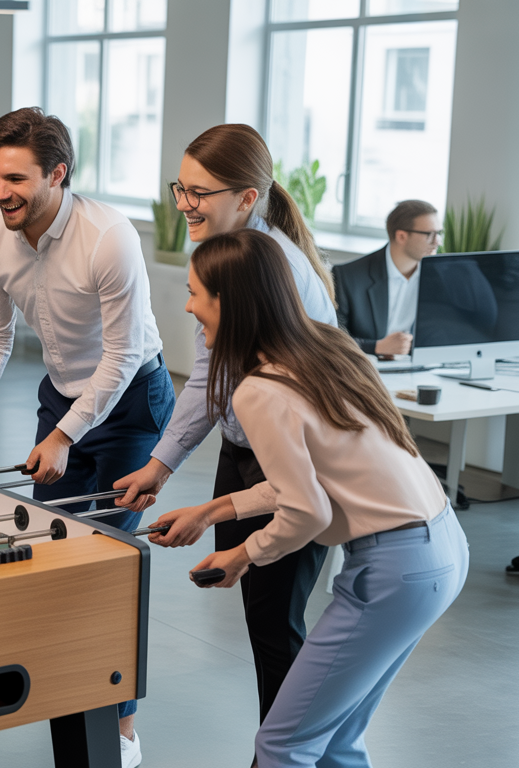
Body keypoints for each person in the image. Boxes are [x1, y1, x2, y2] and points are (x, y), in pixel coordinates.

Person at [147, 228, 467, 767]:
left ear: (232, 301)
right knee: (336, 738)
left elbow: (307, 509)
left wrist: (242, 555)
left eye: (196, 292)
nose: (188, 305)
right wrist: (214, 510)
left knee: (283, 743)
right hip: (439, 549)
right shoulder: (328, 348)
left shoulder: (260, 389)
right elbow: (315, 480)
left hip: (393, 568)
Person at [0, 107, 174, 768]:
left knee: (108, 560)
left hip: (132, 400)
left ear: (58, 173)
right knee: (50, 546)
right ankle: (60, 681)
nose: (1, 192)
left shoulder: (108, 237)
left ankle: (119, 723)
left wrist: (65, 434)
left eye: (16, 178)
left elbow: (122, 357)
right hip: (63, 394)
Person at [114, 124, 338, 733]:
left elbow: (302, 419)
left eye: (199, 192)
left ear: (246, 197)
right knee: (264, 621)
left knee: (275, 628)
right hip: (244, 451)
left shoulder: (281, 273)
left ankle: (284, 750)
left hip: (290, 461)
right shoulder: (223, 255)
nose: (184, 203)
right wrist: (160, 465)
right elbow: (210, 378)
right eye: (179, 188)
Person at [334, 200, 441, 357]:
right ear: (401, 236)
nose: (437, 241)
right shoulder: (348, 276)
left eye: (439, 233)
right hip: (366, 369)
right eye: (430, 235)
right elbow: (331, 339)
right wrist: (376, 347)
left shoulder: (438, 277)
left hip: (422, 368)